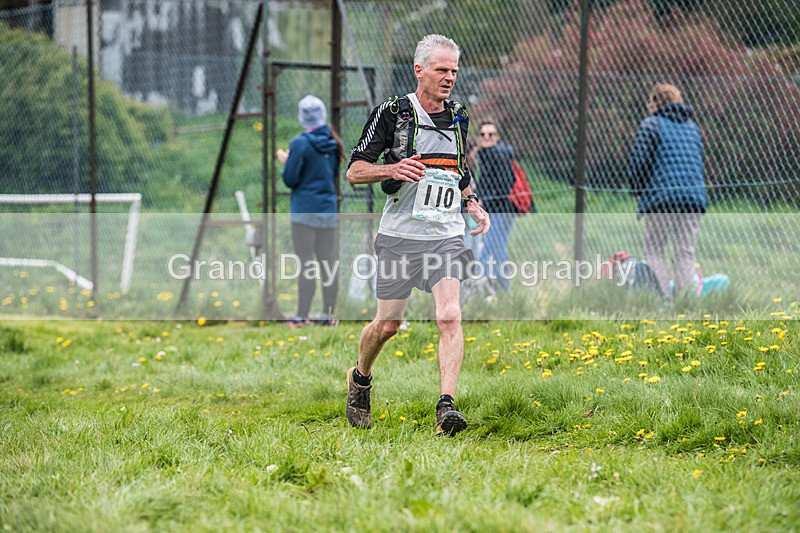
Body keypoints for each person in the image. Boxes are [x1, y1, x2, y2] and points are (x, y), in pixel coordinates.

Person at [345, 34, 490, 436]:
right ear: (419, 70)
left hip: (446, 233)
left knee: (449, 315)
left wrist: (472, 200)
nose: (449, 78)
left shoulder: (459, 114)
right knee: (388, 326)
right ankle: (360, 378)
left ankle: (446, 407)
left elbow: (458, 168)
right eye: (442, 70)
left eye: (454, 71)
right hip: (400, 234)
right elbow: (355, 170)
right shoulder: (392, 112)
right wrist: (390, 170)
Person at [629, 83, 707, 301]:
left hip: (663, 200)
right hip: (693, 199)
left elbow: (639, 160)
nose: (647, 106)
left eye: (650, 101)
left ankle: (664, 300)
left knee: (653, 250)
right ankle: (685, 305)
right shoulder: (693, 127)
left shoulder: (652, 124)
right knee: (685, 253)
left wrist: (637, 190)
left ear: (656, 103)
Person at [277, 95, 345, 327]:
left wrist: (286, 162)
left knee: (306, 264)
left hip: (304, 213)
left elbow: (290, 179)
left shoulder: (300, 144)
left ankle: (301, 315)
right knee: (328, 264)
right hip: (327, 212)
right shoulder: (333, 142)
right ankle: (328, 315)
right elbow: (332, 174)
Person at [469, 120, 518, 292]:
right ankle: (503, 292)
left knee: (489, 252)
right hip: (494, 209)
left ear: (497, 137)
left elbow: (505, 186)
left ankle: (492, 291)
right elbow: (484, 182)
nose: (487, 137)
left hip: (502, 210)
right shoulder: (487, 153)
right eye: (483, 134)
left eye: (491, 134)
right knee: (497, 251)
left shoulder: (498, 154)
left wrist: (483, 201)